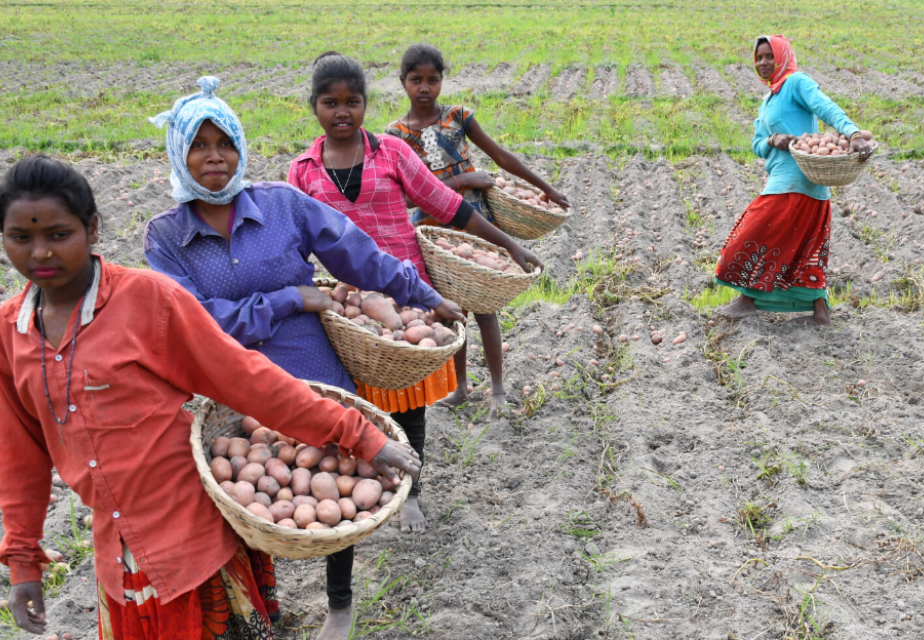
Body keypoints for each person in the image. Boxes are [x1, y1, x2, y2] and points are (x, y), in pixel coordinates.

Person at [0, 154, 420, 639]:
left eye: (58, 234)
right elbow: (20, 454)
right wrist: (23, 561)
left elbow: (245, 379)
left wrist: (358, 433)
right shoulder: (11, 333)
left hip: (191, 536)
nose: (40, 254)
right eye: (20, 238)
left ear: (92, 229)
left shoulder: (148, 301)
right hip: (118, 555)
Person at [142, 76, 462, 639]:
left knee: (340, 479)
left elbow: (359, 256)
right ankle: (260, 608)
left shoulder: (283, 205)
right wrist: (289, 298)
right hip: (238, 392)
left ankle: (340, 604)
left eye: (226, 143)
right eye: (199, 145)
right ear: (178, 152)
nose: (214, 157)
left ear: (240, 148)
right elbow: (192, 323)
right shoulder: (166, 237)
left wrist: (427, 296)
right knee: (246, 505)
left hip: (316, 375)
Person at [288, 52, 542, 534]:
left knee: (407, 402)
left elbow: (448, 206)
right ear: (315, 107)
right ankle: (366, 483)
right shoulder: (301, 172)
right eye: (330, 102)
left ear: (365, 104)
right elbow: (293, 244)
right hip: (348, 303)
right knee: (356, 403)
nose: (343, 111)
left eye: (353, 101)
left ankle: (411, 494)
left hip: (406, 294)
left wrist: (510, 244)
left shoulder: (392, 152)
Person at [385, 43, 570, 406]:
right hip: (433, 233)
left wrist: (546, 188)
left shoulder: (458, 117)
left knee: (485, 308)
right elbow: (403, 198)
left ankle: (498, 388)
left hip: (474, 224)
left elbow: (500, 155)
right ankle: (460, 388)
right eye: (416, 80)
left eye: (432, 80)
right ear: (402, 82)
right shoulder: (395, 136)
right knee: (451, 311)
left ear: (442, 81)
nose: (424, 87)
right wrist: (461, 182)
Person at [714, 35, 874, 326]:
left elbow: (826, 107)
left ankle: (747, 300)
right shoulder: (769, 99)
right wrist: (774, 140)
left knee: (751, 236)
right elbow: (757, 144)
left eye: (769, 56)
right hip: (791, 181)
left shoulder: (796, 82)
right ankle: (821, 312)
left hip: (795, 181)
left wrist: (852, 134)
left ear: (782, 56)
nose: (763, 63)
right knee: (804, 249)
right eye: (758, 58)